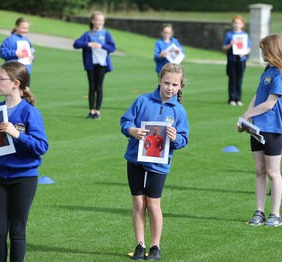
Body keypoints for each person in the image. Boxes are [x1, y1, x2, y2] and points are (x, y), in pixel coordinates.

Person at [0, 61, 48, 262]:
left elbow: (42, 146)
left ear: (16, 83)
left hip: (24, 178)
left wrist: (17, 134)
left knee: (17, 230)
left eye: (0, 78)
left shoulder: (29, 112)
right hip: (0, 177)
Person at [121, 63, 189, 260]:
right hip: (135, 160)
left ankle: (155, 246)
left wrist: (176, 138)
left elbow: (184, 139)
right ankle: (140, 245)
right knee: (137, 203)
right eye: (166, 82)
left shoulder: (179, 111)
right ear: (159, 80)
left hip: (159, 164)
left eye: (174, 85)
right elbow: (125, 121)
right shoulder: (142, 100)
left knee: (153, 205)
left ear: (180, 87)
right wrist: (132, 131)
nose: (169, 87)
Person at [238, 34, 282, 227]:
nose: (261, 53)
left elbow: (270, 103)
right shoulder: (268, 70)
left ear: (273, 50)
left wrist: (248, 114)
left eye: (264, 50)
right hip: (258, 128)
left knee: (273, 172)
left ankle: (275, 214)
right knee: (260, 170)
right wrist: (246, 116)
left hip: (274, 129)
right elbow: (258, 95)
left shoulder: (281, 74)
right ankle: (259, 211)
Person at [73, 11, 116, 120]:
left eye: (102, 20)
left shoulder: (106, 34)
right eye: (98, 20)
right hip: (90, 64)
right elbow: (76, 44)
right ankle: (91, 111)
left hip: (102, 64)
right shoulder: (88, 34)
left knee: (99, 87)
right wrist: (88, 44)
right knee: (91, 87)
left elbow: (112, 48)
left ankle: (97, 111)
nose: (100, 22)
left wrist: (101, 45)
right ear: (92, 21)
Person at [222, 15, 252, 106]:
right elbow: (224, 47)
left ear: (242, 24)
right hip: (232, 59)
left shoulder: (245, 35)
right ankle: (231, 98)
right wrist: (230, 44)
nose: (236, 25)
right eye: (235, 23)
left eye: (238, 23)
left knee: (239, 79)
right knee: (232, 79)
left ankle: (238, 98)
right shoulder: (229, 35)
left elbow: (249, 47)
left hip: (241, 59)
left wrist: (245, 52)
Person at [0, 17, 35, 88]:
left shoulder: (26, 40)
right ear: (16, 27)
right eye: (23, 28)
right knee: (15, 93)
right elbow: (2, 53)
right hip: (15, 72)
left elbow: (30, 52)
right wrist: (15, 53)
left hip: (26, 71)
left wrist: (32, 57)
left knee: (26, 92)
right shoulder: (10, 39)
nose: (25, 30)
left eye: (27, 28)